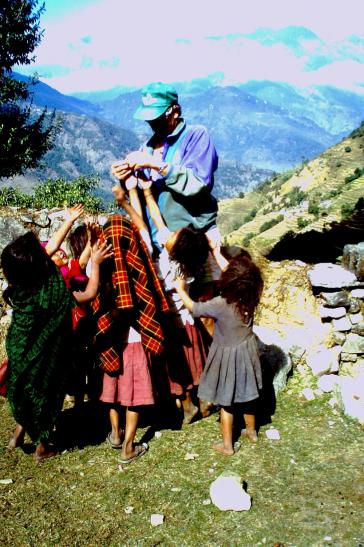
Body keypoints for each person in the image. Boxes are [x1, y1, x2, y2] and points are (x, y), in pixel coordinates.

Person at [1, 231, 112, 461]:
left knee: (29, 391)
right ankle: (42, 447)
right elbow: (90, 293)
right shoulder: (51, 296)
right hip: (45, 357)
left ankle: (17, 435)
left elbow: (46, 252)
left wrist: (71, 223)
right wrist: (97, 262)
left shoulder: (17, 287)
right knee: (47, 397)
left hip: (19, 350)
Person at [92, 186, 168, 463]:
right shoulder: (139, 256)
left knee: (112, 391)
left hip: (109, 340)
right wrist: (125, 203)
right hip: (135, 341)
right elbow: (142, 228)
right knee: (134, 395)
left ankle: (115, 433)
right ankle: (128, 446)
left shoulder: (98, 266)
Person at [111, 81, 220, 250]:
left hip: (194, 242)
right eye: (149, 119)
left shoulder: (196, 136)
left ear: (174, 111)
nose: (152, 124)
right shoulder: (147, 148)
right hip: (159, 243)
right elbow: (144, 193)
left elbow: (198, 184)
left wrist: (155, 164)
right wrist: (126, 180)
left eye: (158, 118)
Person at [174, 253, 264, 455]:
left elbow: (195, 308)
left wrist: (180, 290)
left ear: (228, 280)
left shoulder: (220, 304)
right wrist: (215, 251)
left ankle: (227, 446)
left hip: (227, 356)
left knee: (227, 405)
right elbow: (241, 275)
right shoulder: (251, 296)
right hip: (247, 351)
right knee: (248, 396)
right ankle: (251, 432)